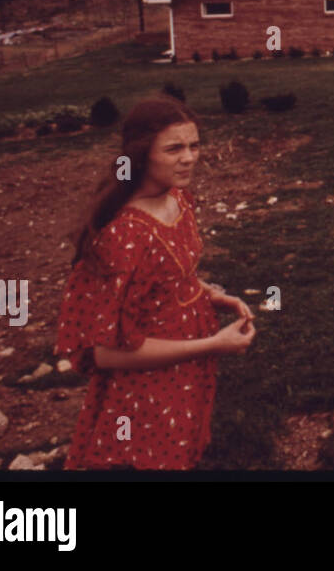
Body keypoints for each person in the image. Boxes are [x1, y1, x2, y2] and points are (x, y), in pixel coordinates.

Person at [56, 96, 256, 469]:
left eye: (194, 145)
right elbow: (103, 353)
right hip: (145, 391)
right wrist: (214, 343)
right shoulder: (123, 236)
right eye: (174, 148)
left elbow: (171, 277)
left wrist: (211, 295)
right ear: (141, 153)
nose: (190, 157)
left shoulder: (178, 200)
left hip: (185, 376)